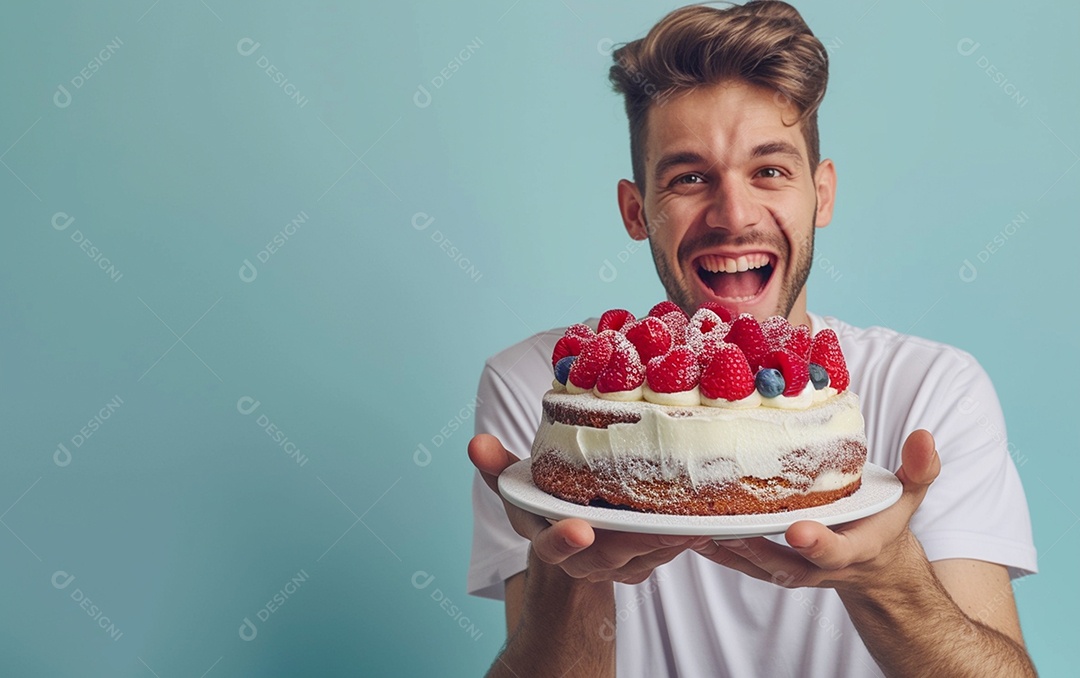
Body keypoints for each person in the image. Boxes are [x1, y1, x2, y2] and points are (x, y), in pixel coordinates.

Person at [466, 2, 1038, 676]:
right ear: (634, 210)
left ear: (821, 195)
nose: (733, 216)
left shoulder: (934, 389)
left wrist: (889, 579)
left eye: (769, 171)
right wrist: (570, 572)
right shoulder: (539, 382)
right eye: (688, 177)